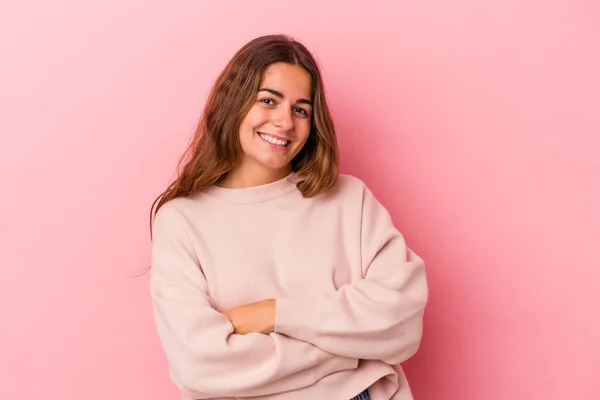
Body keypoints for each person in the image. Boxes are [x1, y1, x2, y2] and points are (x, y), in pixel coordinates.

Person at [148, 34, 428, 400]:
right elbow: (198, 362)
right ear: (234, 103)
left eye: (301, 109)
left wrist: (272, 313)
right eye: (268, 101)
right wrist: (351, 352)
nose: (284, 122)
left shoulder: (349, 200)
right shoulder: (182, 220)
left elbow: (401, 322)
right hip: (351, 379)